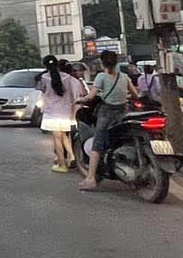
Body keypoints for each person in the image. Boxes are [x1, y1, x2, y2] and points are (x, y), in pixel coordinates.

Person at [79, 49, 135, 191]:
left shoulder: (101, 77)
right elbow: (135, 94)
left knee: (97, 144)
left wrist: (81, 100)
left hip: (106, 114)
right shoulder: (124, 77)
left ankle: (90, 178)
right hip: (123, 113)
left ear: (102, 63)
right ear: (116, 62)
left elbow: (91, 96)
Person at [37, 55, 88, 173]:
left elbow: (42, 90)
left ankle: (62, 165)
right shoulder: (68, 78)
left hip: (51, 112)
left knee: (57, 139)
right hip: (65, 111)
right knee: (64, 136)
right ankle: (72, 156)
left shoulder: (44, 77)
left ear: (45, 66)